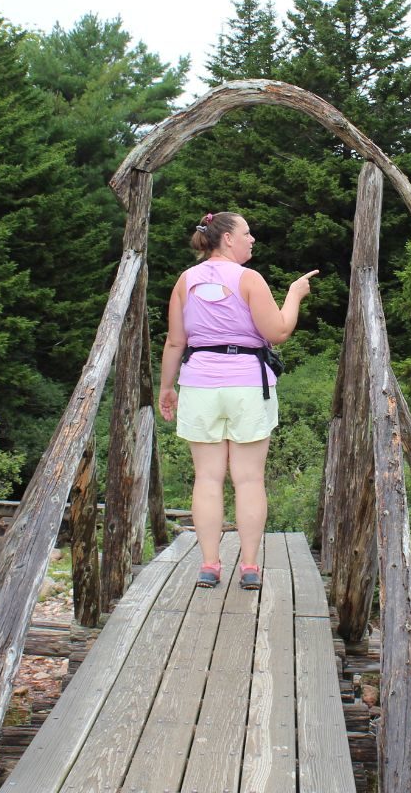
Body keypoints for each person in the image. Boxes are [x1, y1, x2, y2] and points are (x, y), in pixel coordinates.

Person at [159, 212, 317, 590]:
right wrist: (294, 295)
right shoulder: (249, 279)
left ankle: (210, 564)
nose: (252, 239)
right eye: (247, 233)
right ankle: (249, 566)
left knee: (207, 478)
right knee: (248, 479)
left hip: (199, 383)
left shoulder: (185, 281)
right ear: (227, 238)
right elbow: (277, 332)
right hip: (247, 383)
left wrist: (167, 387)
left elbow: (176, 342)